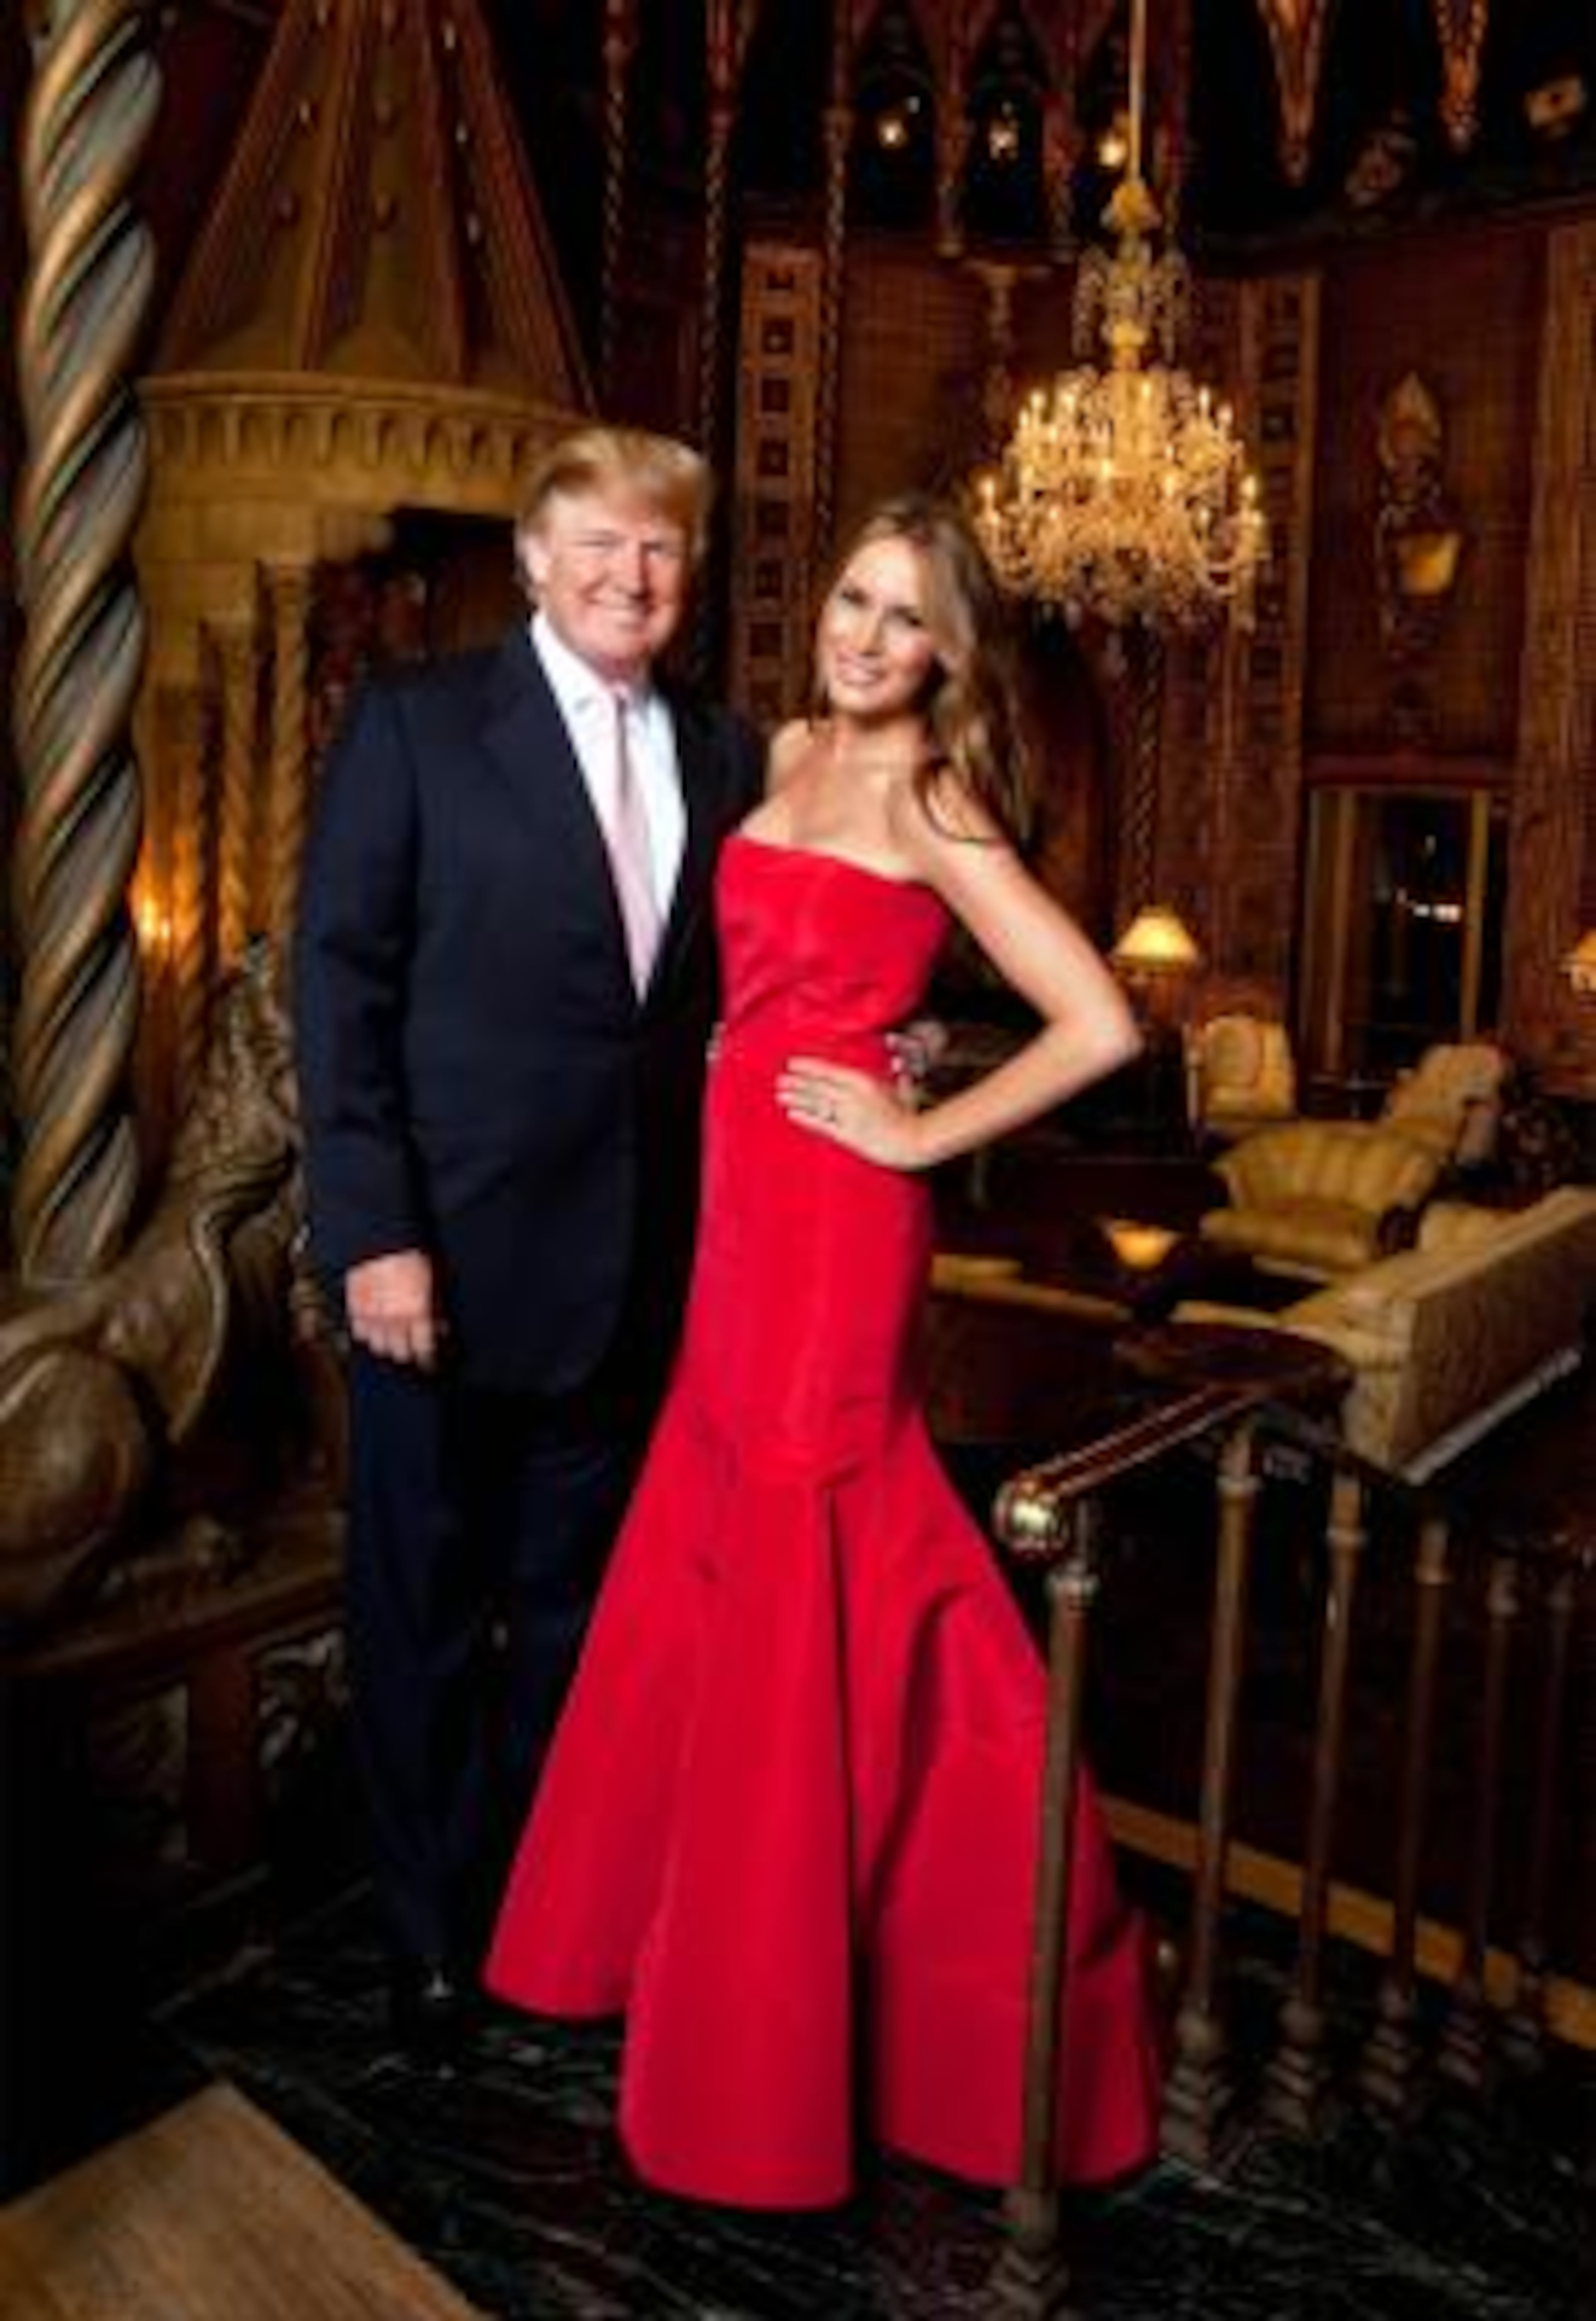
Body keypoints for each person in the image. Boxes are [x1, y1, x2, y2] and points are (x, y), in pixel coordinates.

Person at [486, 492, 1163, 2206]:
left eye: (905, 618)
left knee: (826, 1553)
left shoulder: (936, 798)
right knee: (727, 1547)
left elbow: (1098, 1016)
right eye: (854, 600)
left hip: (841, 1227)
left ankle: (794, 2045)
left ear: (951, 651)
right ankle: (696, 1965)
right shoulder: (786, 741)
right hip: (738, 1208)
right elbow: (779, 965)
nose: (863, 635)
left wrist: (921, 1130)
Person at [292, 426, 766, 2059]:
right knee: (419, 1611)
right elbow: (338, 990)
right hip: (435, 1269)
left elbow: (740, 994)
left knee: (575, 1621)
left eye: (663, 551)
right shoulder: (419, 724)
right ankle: (425, 1942)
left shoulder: (726, 753)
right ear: (535, 558)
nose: (634, 576)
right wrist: (372, 1235)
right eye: (604, 545)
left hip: (631, 1275)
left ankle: (527, 1919)